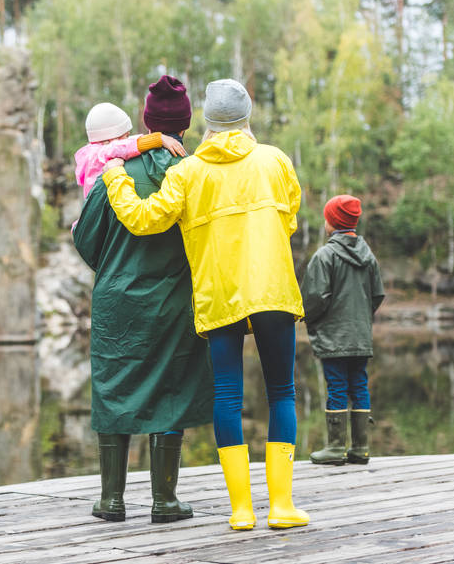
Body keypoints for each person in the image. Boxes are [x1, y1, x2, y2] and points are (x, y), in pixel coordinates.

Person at [101, 78, 309, 531]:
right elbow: (289, 215)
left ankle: (240, 510)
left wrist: (116, 173)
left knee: (228, 396)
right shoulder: (275, 160)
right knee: (282, 392)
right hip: (273, 289)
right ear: (247, 116)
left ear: (208, 124)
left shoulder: (188, 171)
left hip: (219, 294)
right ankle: (281, 506)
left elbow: (143, 220)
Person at [73, 75, 213, 524]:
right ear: (186, 126)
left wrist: (116, 270)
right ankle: (164, 501)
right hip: (174, 301)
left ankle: (112, 501)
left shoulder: (111, 171)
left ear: (146, 123)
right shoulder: (191, 171)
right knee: (169, 390)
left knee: (114, 390)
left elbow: (87, 241)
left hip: (117, 302)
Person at [302, 195, 385, 466]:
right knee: (359, 384)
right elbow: (377, 294)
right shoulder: (368, 255)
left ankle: (336, 448)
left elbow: (314, 298)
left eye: (327, 217)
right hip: (360, 336)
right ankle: (361, 447)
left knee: (337, 387)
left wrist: (309, 319)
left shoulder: (325, 256)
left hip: (333, 337)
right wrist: (361, 319)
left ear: (332, 223)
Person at [74, 102, 187, 199]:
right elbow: (122, 147)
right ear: (111, 138)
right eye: (126, 136)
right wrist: (158, 138)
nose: (128, 139)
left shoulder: (90, 153)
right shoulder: (100, 154)